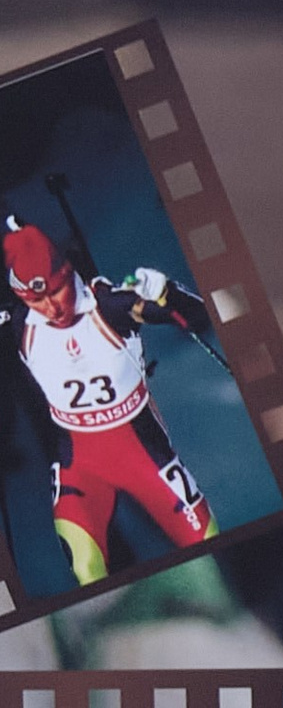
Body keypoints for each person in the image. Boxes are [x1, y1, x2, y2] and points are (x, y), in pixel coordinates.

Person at [1, 215, 217, 587]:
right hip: (79, 466)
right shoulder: (20, 324)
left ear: (68, 273)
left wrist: (168, 292)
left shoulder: (109, 307)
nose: (51, 308)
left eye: (55, 291)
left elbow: (199, 318)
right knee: (86, 567)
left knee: (211, 547)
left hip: (144, 458)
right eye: (36, 300)